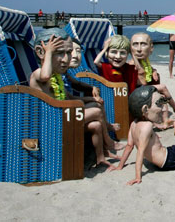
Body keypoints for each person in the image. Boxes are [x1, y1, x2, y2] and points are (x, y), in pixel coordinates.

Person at [30, 28, 124, 168]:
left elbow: (69, 98)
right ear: (41, 52)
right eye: (60, 53)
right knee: (97, 112)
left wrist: (92, 100)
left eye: (68, 52)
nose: (66, 59)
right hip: (52, 122)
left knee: (96, 124)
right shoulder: (38, 74)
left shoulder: (58, 78)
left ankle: (100, 157)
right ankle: (109, 142)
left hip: (64, 117)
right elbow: (45, 75)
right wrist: (48, 52)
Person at [130, 32, 175, 129]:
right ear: (130, 48)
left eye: (143, 44)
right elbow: (141, 74)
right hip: (138, 93)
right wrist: (133, 56)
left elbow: (147, 69)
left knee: (163, 99)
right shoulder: (133, 64)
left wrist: (154, 71)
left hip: (145, 90)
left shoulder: (145, 62)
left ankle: (165, 121)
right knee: (163, 87)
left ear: (151, 48)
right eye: (135, 45)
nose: (139, 49)